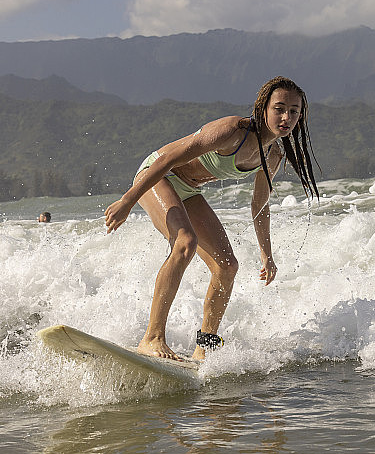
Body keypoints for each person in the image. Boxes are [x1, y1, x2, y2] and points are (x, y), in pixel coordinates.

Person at [104, 76, 319, 361]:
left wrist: (267, 255)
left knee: (227, 266)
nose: (286, 117)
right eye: (279, 108)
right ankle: (152, 338)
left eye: (294, 111)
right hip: (157, 176)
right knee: (185, 242)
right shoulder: (231, 131)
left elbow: (260, 205)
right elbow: (167, 161)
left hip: (188, 189)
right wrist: (128, 200)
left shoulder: (273, 153)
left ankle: (205, 350)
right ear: (262, 107)